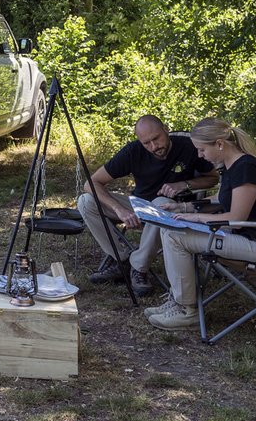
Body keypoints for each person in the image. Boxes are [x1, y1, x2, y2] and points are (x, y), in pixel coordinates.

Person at [145, 117, 256, 330]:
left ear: (219, 144)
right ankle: (178, 301)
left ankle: (187, 311)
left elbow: (236, 216)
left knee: (175, 236)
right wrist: (182, 208)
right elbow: (220, 200)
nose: (200, 155)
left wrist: (196, 218)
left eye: (202, 150)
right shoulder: (232, 166)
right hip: (246, 237)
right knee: (172, 229)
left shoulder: (246, 167)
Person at [79, 115, 218, 296]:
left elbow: (213, 178)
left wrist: (185, 184)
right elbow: (91, 183)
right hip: (138, 205)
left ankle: (139, 267)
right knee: (86, 201)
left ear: (166, 129)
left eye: (156, 139)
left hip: (170, 209)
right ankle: (120, 259)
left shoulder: (188, 147)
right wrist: (119, 209)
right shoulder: (133, 151)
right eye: (146, 143)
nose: (154, 147)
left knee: (161, 204)